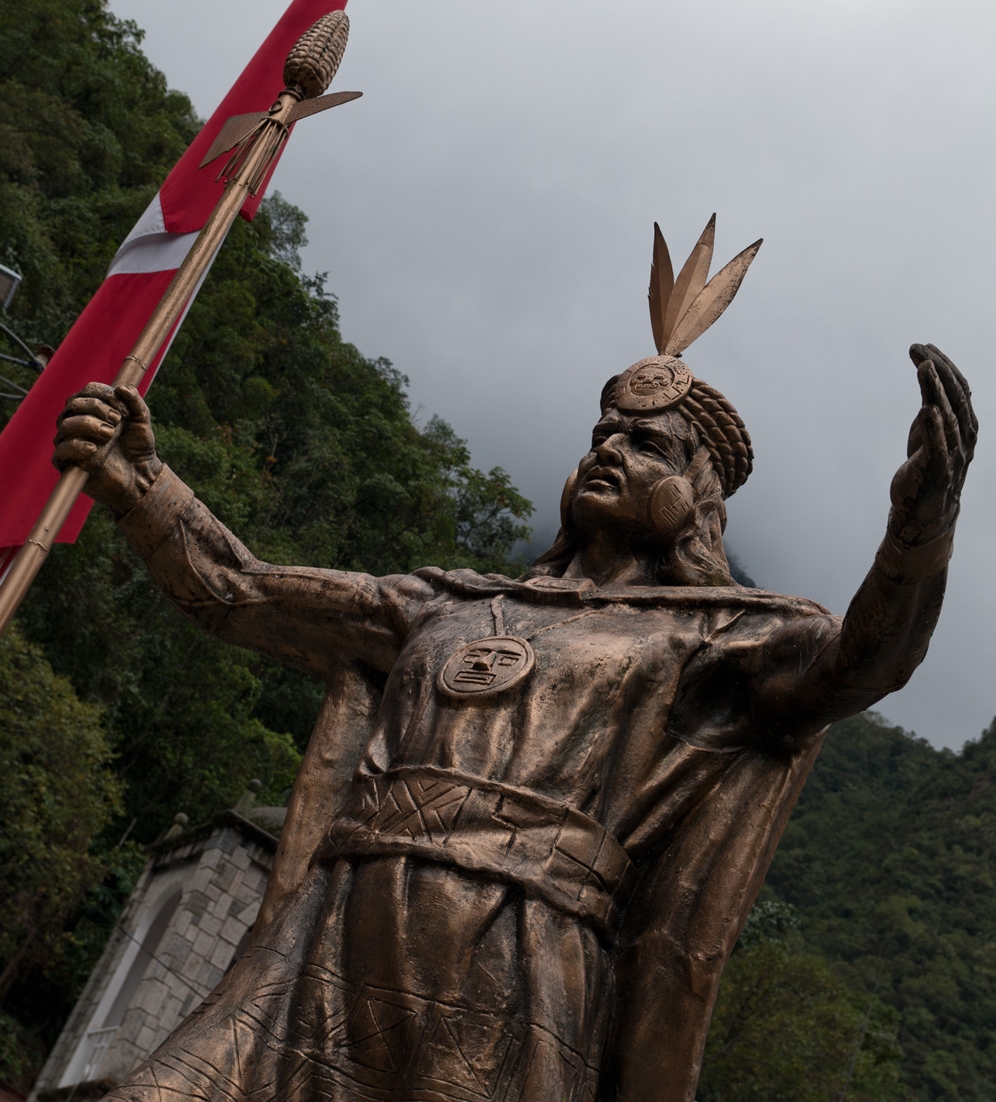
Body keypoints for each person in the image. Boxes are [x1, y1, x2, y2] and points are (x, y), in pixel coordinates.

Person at [53, 323, 975, 1102]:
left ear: (701, 497)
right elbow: (240, 590)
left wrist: (919, 528)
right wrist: (142, 485)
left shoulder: (719, 635)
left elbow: (866, 662)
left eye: (648, 444)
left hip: (511, 958)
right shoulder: (440, 603)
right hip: (322, 935)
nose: (609, 450)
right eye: (602, 435)